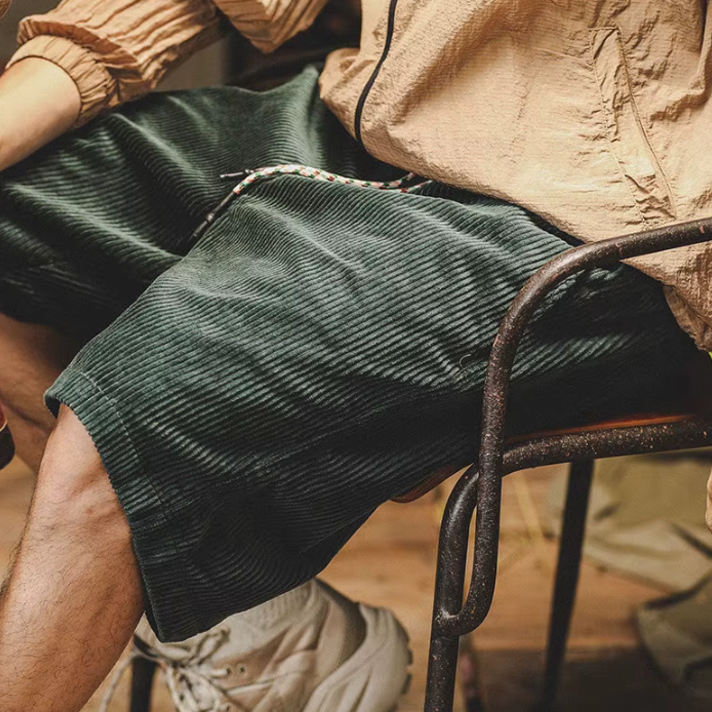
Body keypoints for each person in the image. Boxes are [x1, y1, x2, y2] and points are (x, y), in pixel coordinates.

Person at [0, 1, 709, 710]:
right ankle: (269, 640)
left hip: (604, 206)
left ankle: (170, 574)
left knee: (136, 414)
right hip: (372, 118)